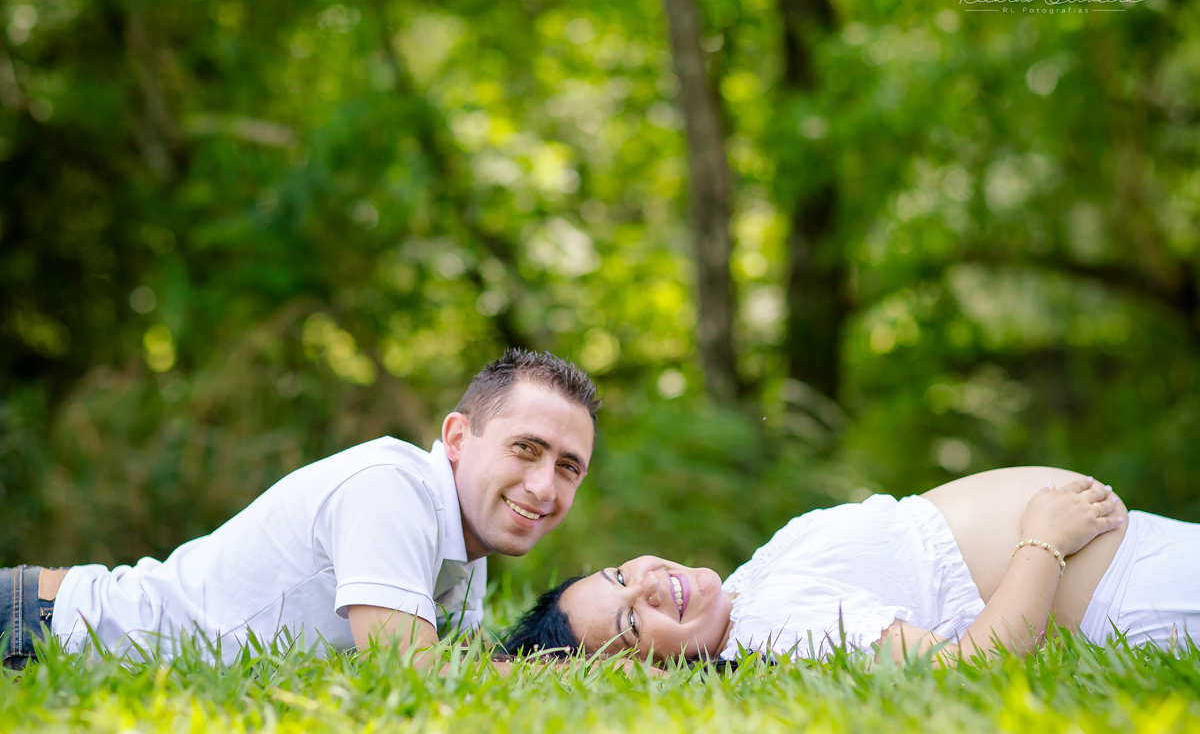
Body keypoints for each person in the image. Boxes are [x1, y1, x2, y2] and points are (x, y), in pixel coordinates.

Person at [0, 349, 599, 669]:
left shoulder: (465, 548)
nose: (544, 487)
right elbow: (411, 673)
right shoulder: (392, 487)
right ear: (459, 437)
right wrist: (568, 676)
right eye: (526, 449)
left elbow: (471, 675)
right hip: (38, 630)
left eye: (568, 467)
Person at [504, 467, 1200, 665]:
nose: (651, 584)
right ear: (648, 666)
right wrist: (1044, 539)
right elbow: (972, 667)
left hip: (1145, 550)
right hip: (1132, 592)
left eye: (622, 576)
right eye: (632, 618)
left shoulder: (752, 583)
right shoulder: (775, 629)